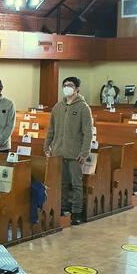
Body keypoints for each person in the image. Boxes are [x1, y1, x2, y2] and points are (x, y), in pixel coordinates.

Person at [45, 77, 93, 226]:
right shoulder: (58, 107)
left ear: (77, 88)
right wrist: (47, 147)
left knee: (76, 184)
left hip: (75, 154)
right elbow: (51, 129)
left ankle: (77, 212)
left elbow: (88, 133)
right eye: (64, 85)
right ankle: (63, 209)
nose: (66, 87)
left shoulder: (83, 107)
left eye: (70, 85)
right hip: (58, 152)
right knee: (62, 183)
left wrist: (84, 152)